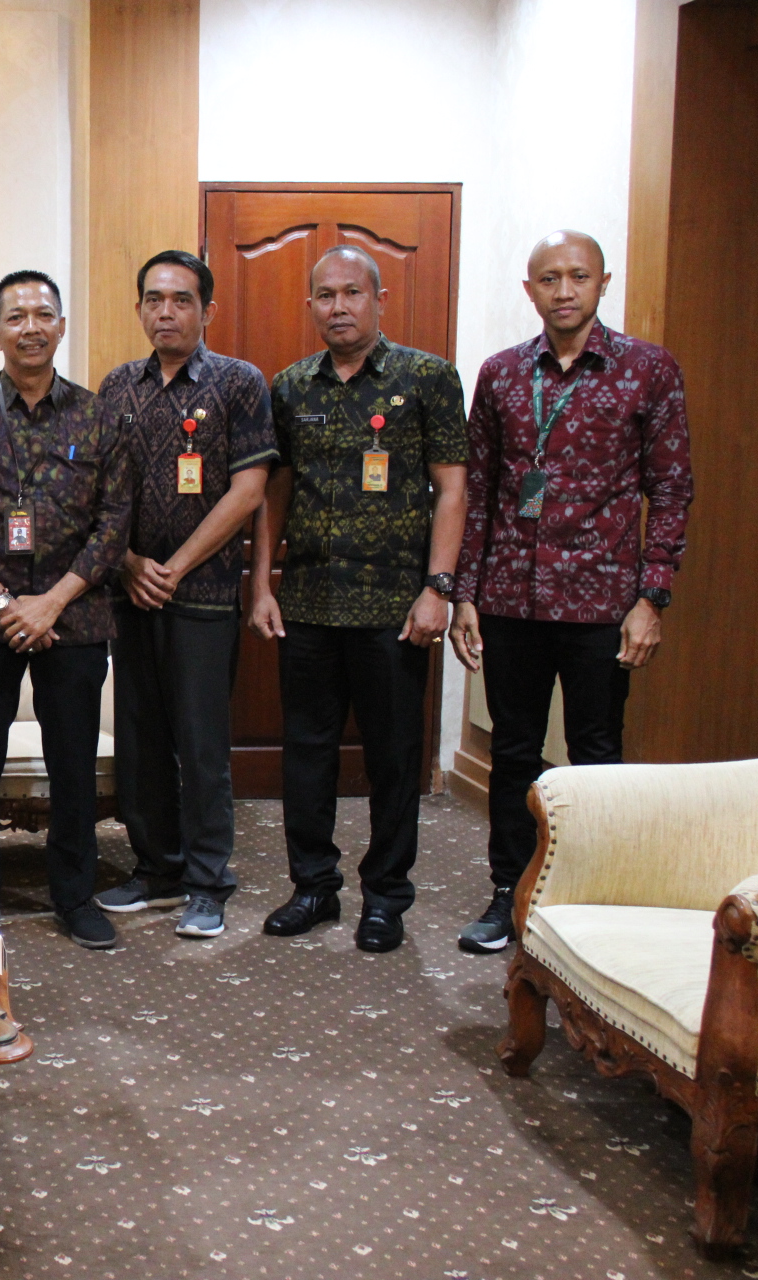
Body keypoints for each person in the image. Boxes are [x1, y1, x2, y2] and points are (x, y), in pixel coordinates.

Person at [448, 230, 692, 954]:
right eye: (549, 278)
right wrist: (465, 590)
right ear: (529, 290)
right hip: (510, 600)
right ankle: (510, 893)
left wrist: (653, 597)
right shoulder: (499, 375)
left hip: (602, 604)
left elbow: (672, 490)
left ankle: (590, 898)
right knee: (515, 751)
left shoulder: (647, 369)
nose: (564, 289)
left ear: (602, 283)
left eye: (578, 276)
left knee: (595, 753)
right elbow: (483, 491)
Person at [248, 245, 467, 954]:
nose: (338, 306)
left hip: (394, 608)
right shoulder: (290, 387)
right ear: (310, 305)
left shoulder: (428, 378)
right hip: (309, 600)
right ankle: (312, 885)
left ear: (380, 298)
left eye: (351, 293)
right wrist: (262, 583)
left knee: (394, 758)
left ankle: (385, 897)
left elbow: (453, 487)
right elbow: (275, 491)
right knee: (305, 755)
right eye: (324, 295)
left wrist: (439, 588)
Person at [0, 270, 132, 945]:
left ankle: (75, 895)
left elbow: (114, 522)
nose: (31, 327)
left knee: (71, 763)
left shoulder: (98, 415)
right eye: (16, 317)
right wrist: (9, 604)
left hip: (74, 619)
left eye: (44, 314)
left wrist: (52, 602)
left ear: (62, 327)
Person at [92, 250, 276, 940]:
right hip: (131, 592)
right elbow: (103, 496)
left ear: (206, 310)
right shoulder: (116, 388)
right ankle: (156, 867)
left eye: (181, 299)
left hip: (203, 595)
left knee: (201, 745)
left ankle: (207, 880)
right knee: (140, 739)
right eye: (154, 299)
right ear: (139, 308)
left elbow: (249, 490)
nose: (166, 311)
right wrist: (133, 562)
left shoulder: (239, 383)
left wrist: (174, 563)